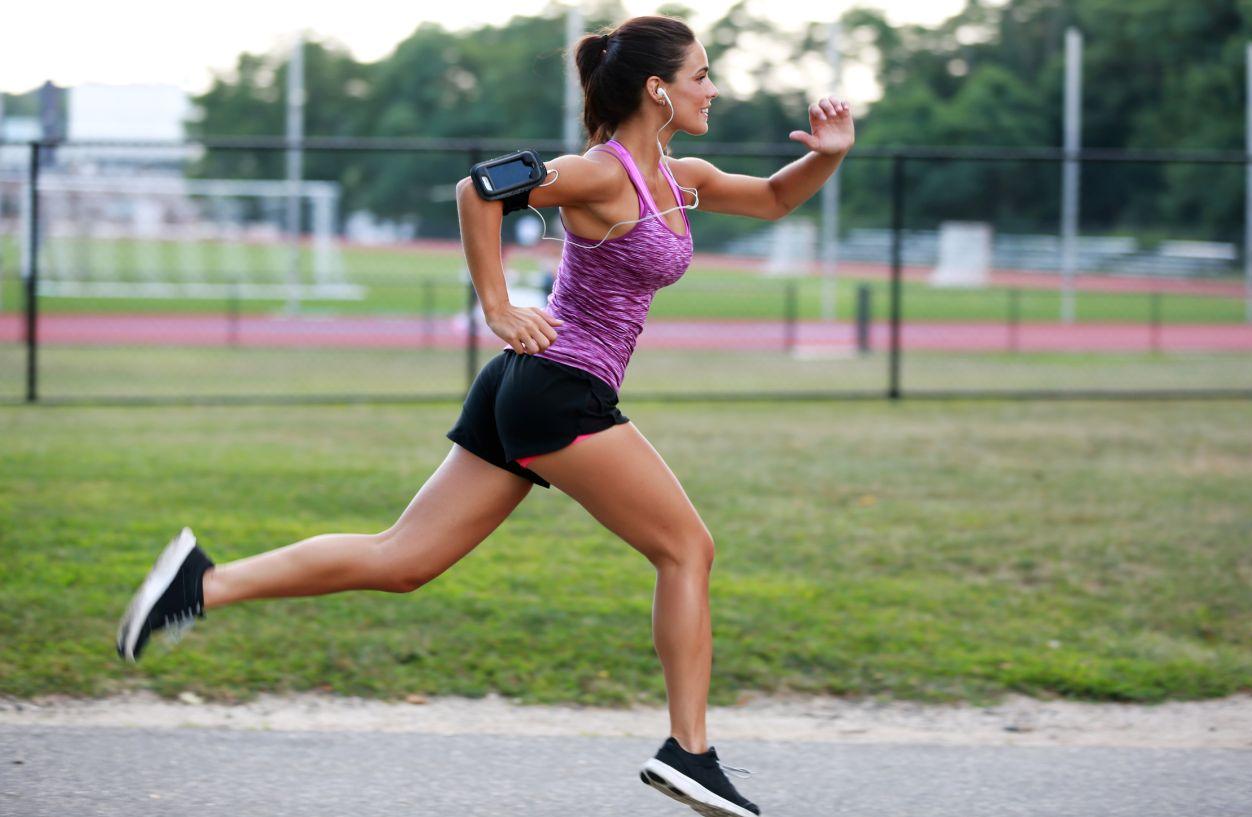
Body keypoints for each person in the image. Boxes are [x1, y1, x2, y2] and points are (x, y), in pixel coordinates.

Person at [116, 14, 853, 817]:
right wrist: (497, 305)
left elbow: (778, 198)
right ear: (657, 89)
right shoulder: (599, 175)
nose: (714, 89)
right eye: (702, 75)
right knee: (688, 550)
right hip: (558, 388)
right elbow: (479, 189)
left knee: (403, 560)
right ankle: (690, 752)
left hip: (528, 386)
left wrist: (829, 155)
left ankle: (201, 583)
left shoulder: (685, 178)